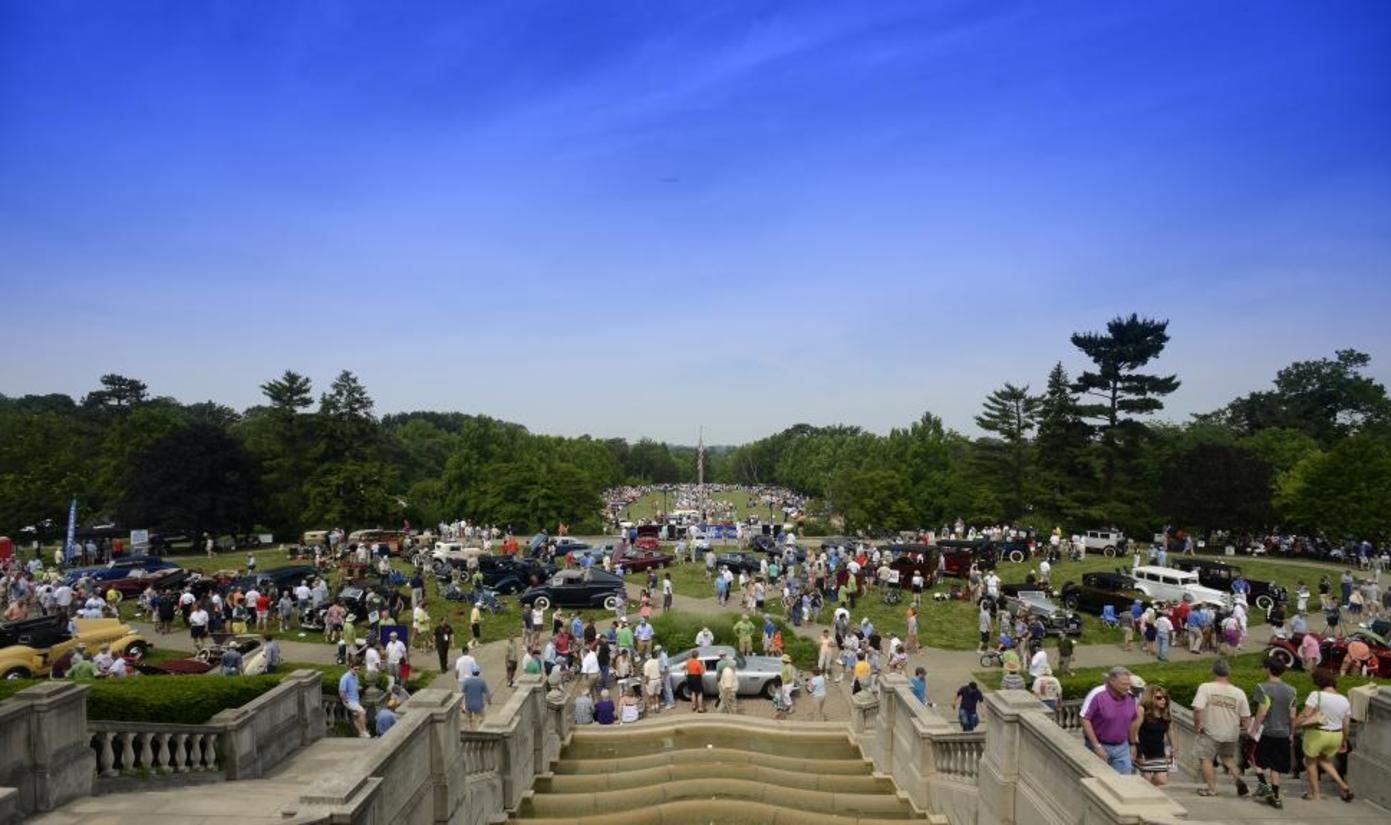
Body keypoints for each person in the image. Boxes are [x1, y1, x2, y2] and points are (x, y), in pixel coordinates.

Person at [1192, 658, 1250, 797]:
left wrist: (1197, 725)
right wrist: (1245, 730)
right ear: (1228, 672)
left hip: (1210, 731)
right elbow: (1246, 716)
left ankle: (1212, 789)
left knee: (1206, 758)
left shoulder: (1206, 687)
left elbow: (1197, 709)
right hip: (1231, 733)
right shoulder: (1239, 692)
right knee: (1228, 758)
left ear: (1213, 671)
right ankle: (1238, 778)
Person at [1294, 669, 1353, 802]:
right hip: (1336, 736)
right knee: (1323, 759)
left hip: (1318, 734)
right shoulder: (1344, 700)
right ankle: (1342, 784)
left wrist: (1293, 725)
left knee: (1309, 762)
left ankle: (1315, 794)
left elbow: (1305, 714)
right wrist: (1344, 740)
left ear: (1317, 682)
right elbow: (1346, 725)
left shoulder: (1316, 695)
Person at [1249, 657, 1296, 808]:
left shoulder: (1262, 687)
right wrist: (1291, 733)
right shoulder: (1292, 690)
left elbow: (1262, 712)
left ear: (1268, 669)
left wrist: (1254, 729)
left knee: (1255, 760)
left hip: (1267, 732)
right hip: (1283, 733)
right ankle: (1275, 796)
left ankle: (1264, 786)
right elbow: (1293, 715)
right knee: (1276, 766)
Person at [1080, 666, 1139, 774]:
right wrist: (1096, 746)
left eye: (1128, 684)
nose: (1127, 688)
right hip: (1099, 745)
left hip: (1122, 747)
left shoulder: (1131, 697)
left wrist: (1132, 744)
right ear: (1112, 682)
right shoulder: (1097, 694)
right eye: (1123, 684)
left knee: (1124, 782)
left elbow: (1133, 721)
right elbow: (1085, 719)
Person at [1132, 685, 1174, 786]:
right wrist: (1137, 750)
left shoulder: (1165, 712)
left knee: (1162, 780)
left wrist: (1174, 747)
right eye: (1159, 698)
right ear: (1151, 698)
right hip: (1143, 750)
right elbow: (1134, 731)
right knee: (1146, 780)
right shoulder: (1142, 710)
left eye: (1165, 698)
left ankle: (1149, 790)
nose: (1163, 700)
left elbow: (1170, 730)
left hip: (1159, 751)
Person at [339, 662, 369, 738]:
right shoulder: (345, 677)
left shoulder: (355, 676)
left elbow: (354, 686)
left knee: (355, 716)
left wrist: (358, 688)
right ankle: (364, 731)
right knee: (362, 712)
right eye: (355, 669)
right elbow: (341, 691)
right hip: (350, 701)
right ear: (350, 668)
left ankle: (361, 733)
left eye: (359, 669)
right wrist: (346, 701)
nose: (357, 670)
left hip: (355, 700)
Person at [461, 664, 491, 730]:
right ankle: (478, 730)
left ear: (472, 672)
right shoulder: (482, 682)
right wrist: (489, 701)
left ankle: (470, 729)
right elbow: (487, 693)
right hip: (479, 705)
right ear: (479, 672)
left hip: (468, 704)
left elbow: (462, 692)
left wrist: (462, 705)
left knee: (469, 720)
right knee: (481, 719)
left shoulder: (467, 682)